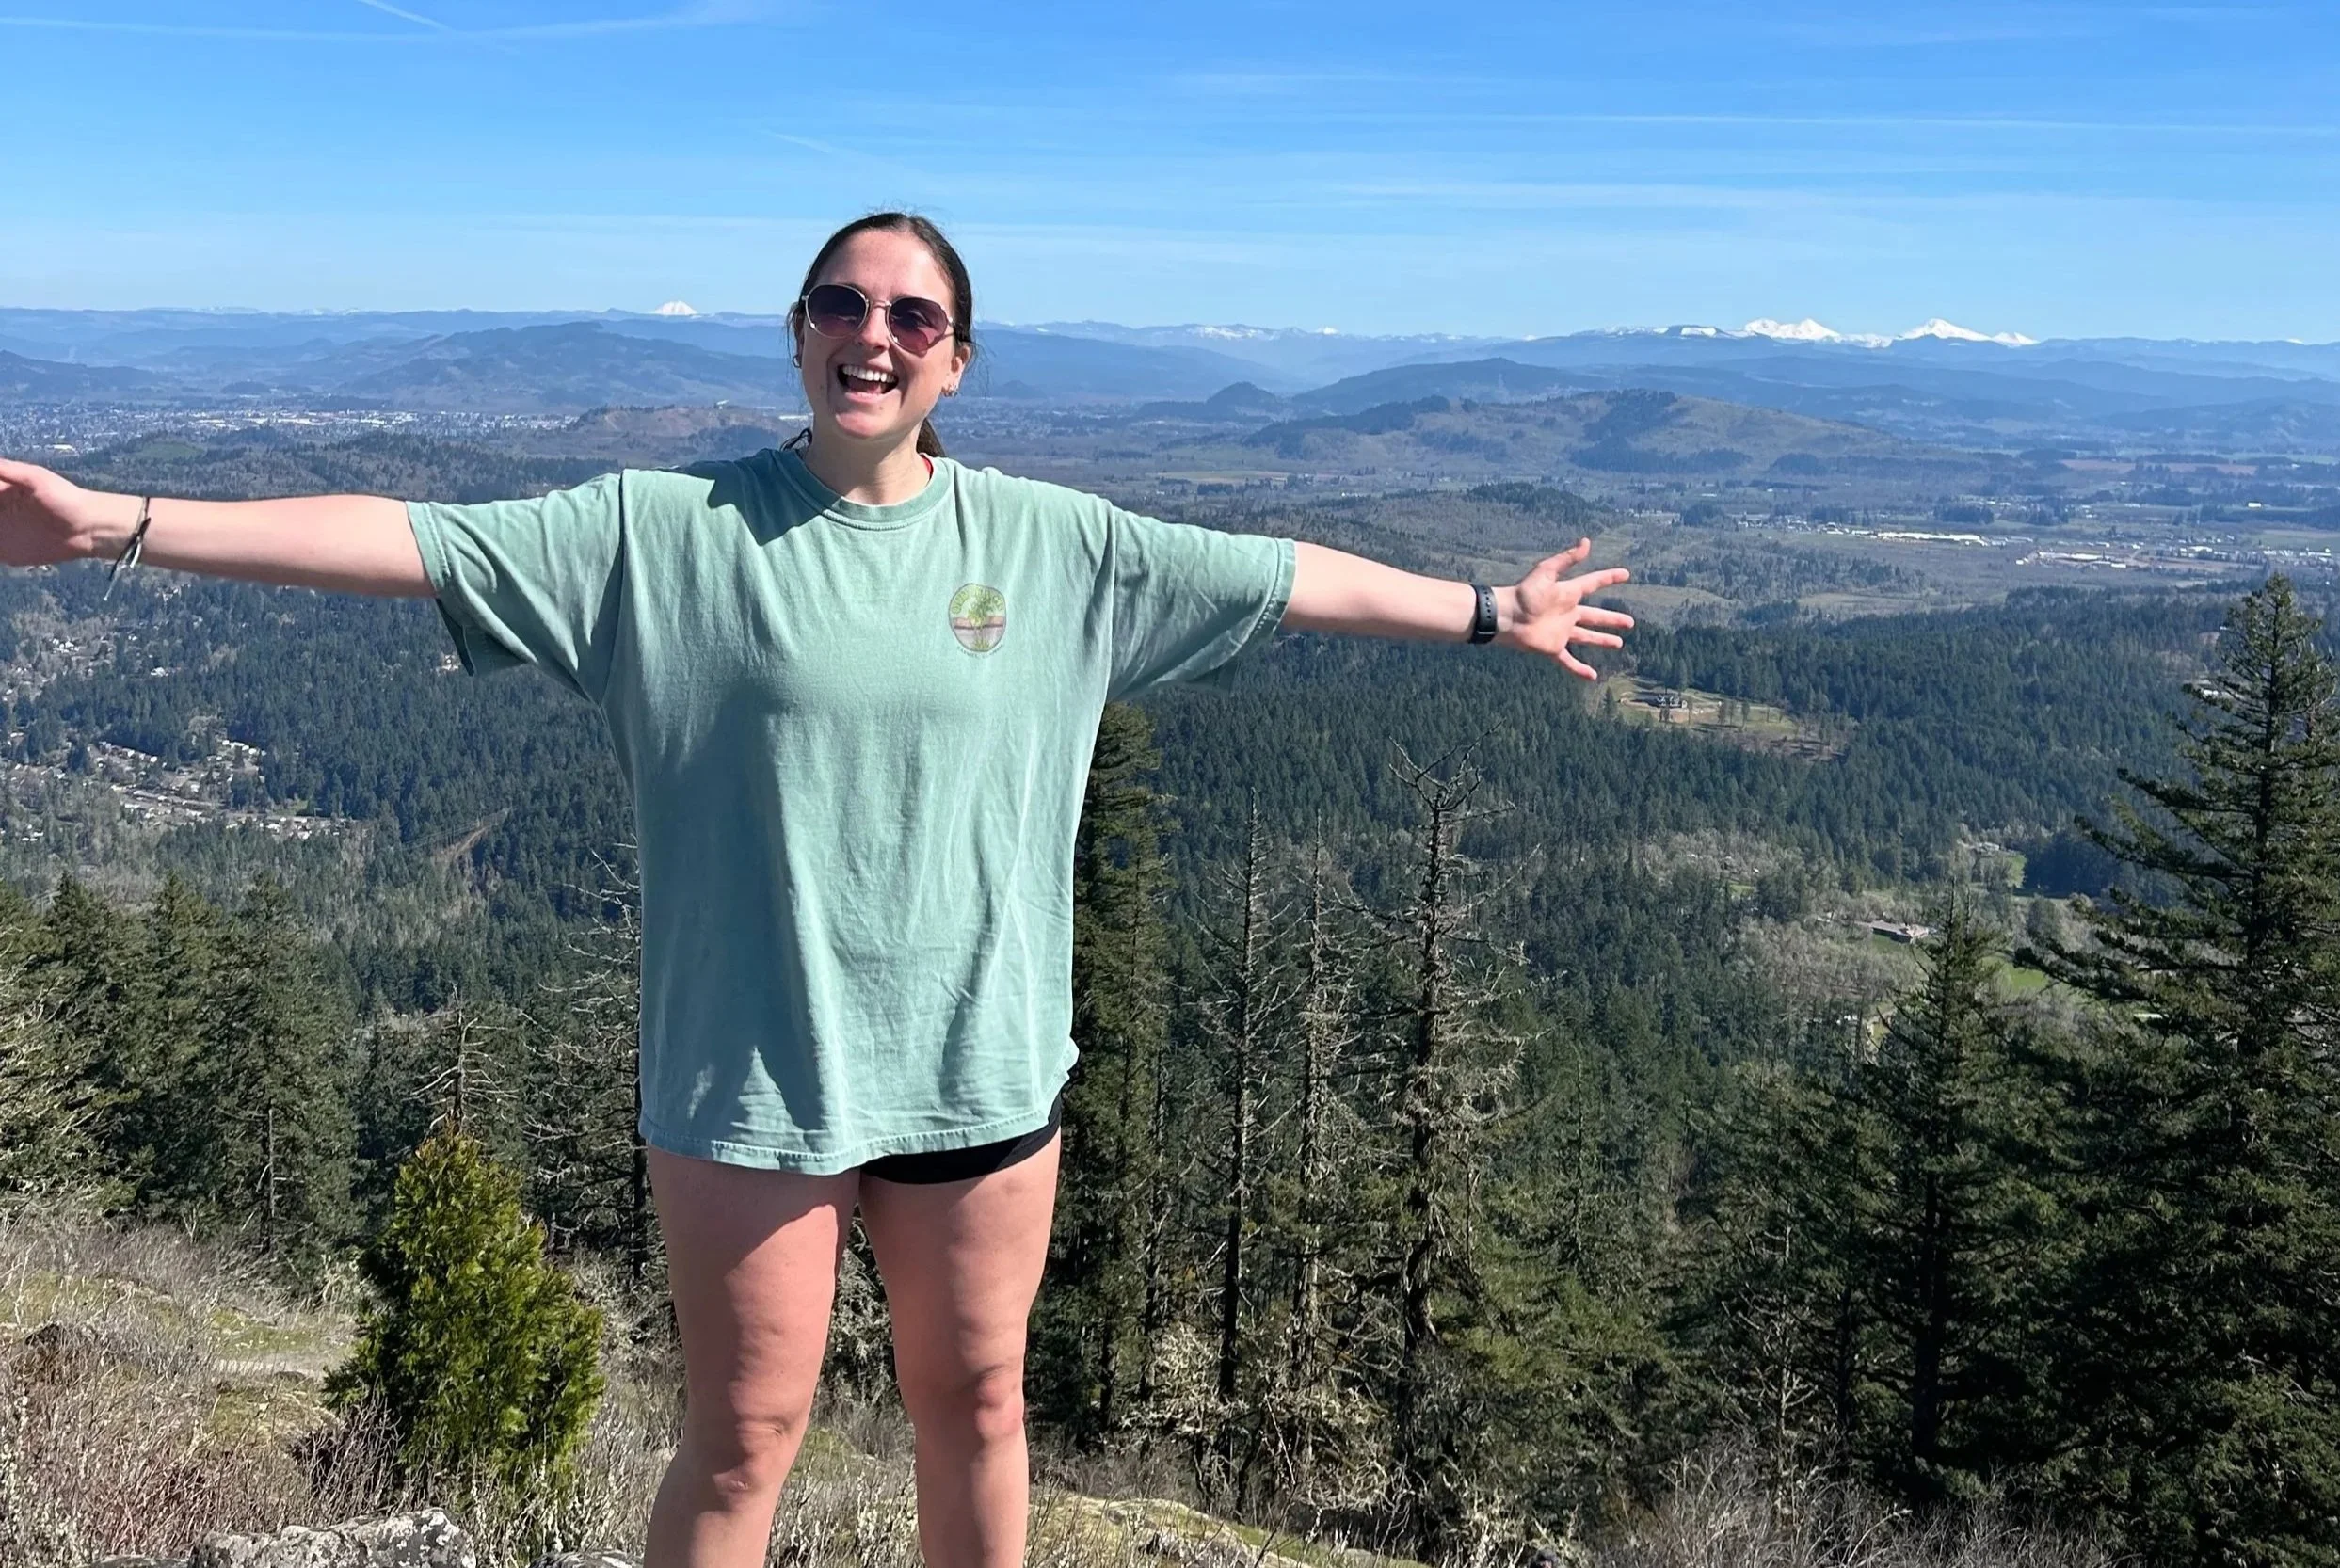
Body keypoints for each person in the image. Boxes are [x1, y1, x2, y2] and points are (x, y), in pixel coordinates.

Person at [0, 211, 1634, 1568]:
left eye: (914, 315)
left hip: (983, 1071)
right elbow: (408, 537)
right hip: (745, 1078)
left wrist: (1488, 609)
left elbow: (1292, 579)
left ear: (959, 360)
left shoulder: (1059, 544)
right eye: (844, 304)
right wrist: (119, 523)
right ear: (795, 334)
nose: (877, 333)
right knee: (743, 1440)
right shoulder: (664, 532)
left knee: (983, 1411)